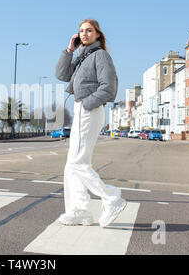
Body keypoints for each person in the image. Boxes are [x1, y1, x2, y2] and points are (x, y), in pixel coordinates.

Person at [55, 19, 126, 228]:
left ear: (97, 35)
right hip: (82, 109)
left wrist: (87, 104)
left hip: (89, 110)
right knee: (72, 164)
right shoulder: (81, 57)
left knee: (78, 162)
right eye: (81, 31)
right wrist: (69, 49)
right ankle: (80, 211)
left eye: (89, 30)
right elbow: (61, 74)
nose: (84, 34)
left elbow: (109, 87)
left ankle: (112, 198)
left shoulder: (100, 56)